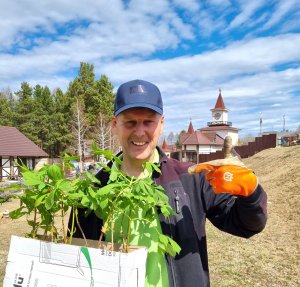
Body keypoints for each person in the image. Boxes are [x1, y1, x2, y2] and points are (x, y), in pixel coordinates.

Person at [71, 79, 267, 287]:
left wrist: (250, 191)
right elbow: (76, 255)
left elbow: (247, 225)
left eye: (148, 122)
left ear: (162, 123)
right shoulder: (93, 188)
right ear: (114, 125)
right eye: (130, 122)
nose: (139, 132)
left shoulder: (190, 178)